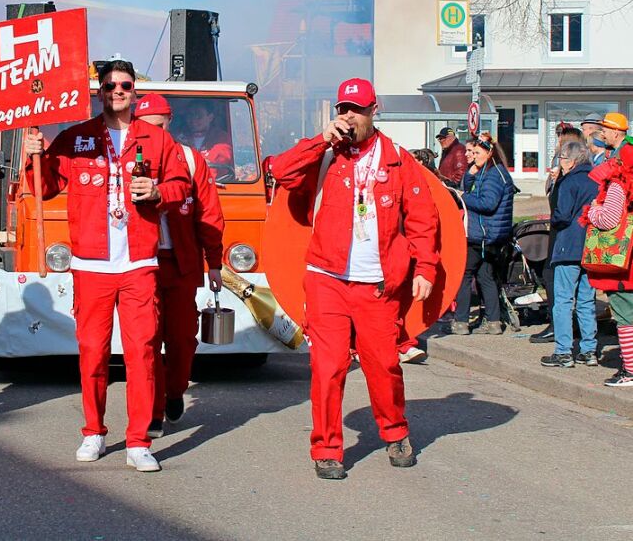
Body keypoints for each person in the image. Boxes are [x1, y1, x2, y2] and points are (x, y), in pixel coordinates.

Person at [23, 59, 190, 473]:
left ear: (135, 90)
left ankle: (138, 441)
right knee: (93, 353)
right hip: (91, 265)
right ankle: (94, 432)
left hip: (139, 263)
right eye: (110, 84)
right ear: (100, 91)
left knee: (142, 352)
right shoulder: (76, 137)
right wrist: (34, 156)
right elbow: (43, 187)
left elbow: (181, 185)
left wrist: (156, 191)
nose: (118, 90)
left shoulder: (156, 139)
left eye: (126, 85)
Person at [268, 77, 438, 480]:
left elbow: (422, 219)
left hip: (378, 285)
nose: (348, 117)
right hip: (327, 279)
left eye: (356, 110)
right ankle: (326, 449)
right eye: (343, 108)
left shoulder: (397, 159)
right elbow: (280, 171)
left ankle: (395, 432)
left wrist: (427, 268)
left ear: (372, 112)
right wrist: (320, 140)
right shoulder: (325, 155)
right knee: (328, 368)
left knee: (384, 367)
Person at [134, 93, 224, 436]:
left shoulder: (188, 159)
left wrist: (214, 262)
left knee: (183, 338)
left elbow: (209, 212)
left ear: (169, 123)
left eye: (158, 126)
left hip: (182, 263)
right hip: (142, 263)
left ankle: (175, 391)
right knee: (146, 340)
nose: (152, 133)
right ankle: (154, 411)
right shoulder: (132, 160)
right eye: (144, 127)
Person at [540, 140, 599, 368]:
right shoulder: (596, 179)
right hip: (590, 246)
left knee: (563, 300)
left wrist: (553, 217)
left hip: (568, 246)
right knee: (586, 300)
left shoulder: (568, 181)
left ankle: (563, 351)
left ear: (571, 160)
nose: (560, 163)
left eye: (562, 159)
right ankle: (589, 350)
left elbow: (561, 215)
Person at [451, 135, 515, 336]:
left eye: (477, 153)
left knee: (464, 275)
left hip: (483, 234)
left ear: (489, 153)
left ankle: (461, 321)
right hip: (489, 234)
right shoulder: (488, 171)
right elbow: (472, 186)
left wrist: (463, 198)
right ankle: (493, 322)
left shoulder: (494, 175)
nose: (473, 156)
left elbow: (487, 203)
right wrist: (471, 173)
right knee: (485, 275)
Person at [533, 125, 586, 344]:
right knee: (578, 292)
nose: (555, 146)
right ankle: (584, 342)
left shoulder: (571, 176)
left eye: (558, 141)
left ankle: (562, 334)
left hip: (566, 236)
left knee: (559, 283)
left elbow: (561, 210)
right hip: (570, 234)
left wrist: (558, 181)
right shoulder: (570, 172)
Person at [586, 142, 633, 386]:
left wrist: (593, 211)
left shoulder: (618, 183)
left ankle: (630, 370)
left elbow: (609, 219)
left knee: (626, 317)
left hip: (623, 265)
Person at [176, 100, 234, 169]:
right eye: (190, 115)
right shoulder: (178, 138)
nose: (193, 120)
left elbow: (219, 160)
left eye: (199, 116)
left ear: (210, 117)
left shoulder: (221, 138)